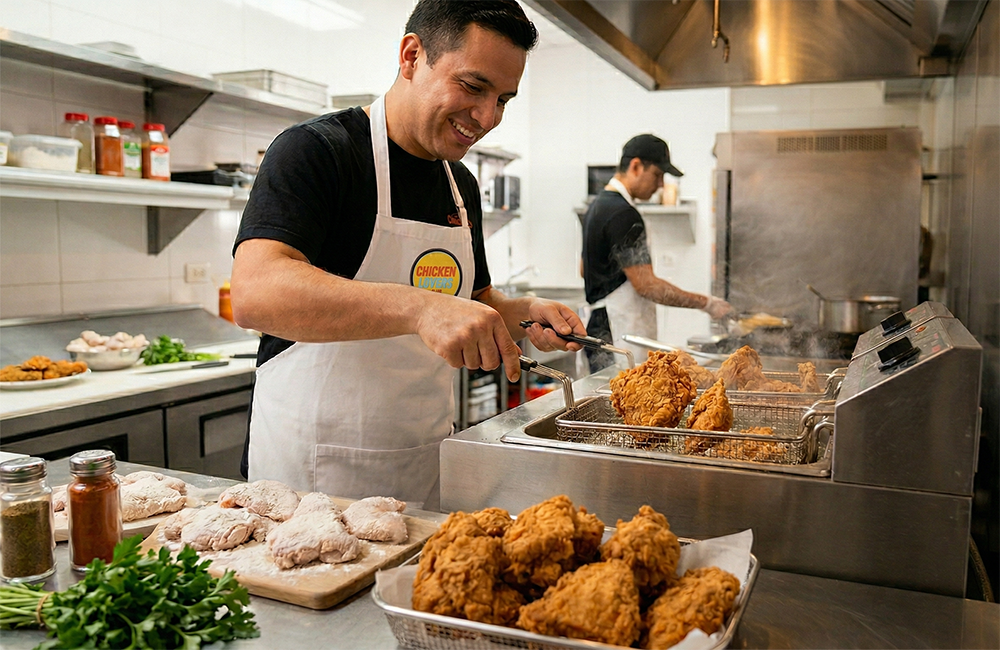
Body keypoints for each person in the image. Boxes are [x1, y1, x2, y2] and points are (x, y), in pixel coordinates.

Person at [230, 0, 587, 509]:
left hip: (420, 467)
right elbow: (255, 293)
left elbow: (473, 298)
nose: (488, 117)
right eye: (472, 86)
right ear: (411, 55)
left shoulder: (459, 183)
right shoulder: (318, 151)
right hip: (309, 484)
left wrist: (522, 313)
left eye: (503, 98)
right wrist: (421, 307)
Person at [580, 134, 733, 371]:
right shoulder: (623, 213)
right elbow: (647, 285)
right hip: (618, 334)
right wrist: (707, 303)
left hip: (599, 331)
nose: (661, 185)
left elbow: (583, 268)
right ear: (636, 166)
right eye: (658, 175)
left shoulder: (597, 206)